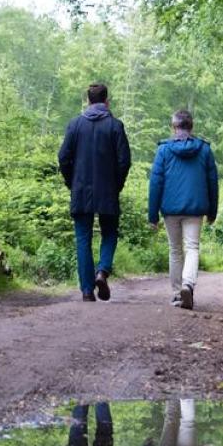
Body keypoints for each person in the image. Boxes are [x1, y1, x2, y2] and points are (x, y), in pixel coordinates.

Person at [59, 83, 132, 302]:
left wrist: (72, 182)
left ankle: (87, 290)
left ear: (88, 101)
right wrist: (116, 184)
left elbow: (63, 157)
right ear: (106, 101)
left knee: (83, 237)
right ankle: (102, 271)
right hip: (108, 190)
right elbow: (124, 161)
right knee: (109, 233)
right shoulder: (115, 126)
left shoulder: (75, 125)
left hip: (80, 190)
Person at [147, 110, 219, 309]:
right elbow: (213, 182)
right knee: (192, 247)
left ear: (174, 127)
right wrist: (213, 211)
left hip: (170, 209)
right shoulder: (204, 149)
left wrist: (152, 215)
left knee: (175, 250)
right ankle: (188, 284)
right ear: (191, 127)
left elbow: (156, 182)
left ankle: (178, 293)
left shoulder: (164, 150)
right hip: (196, 208)